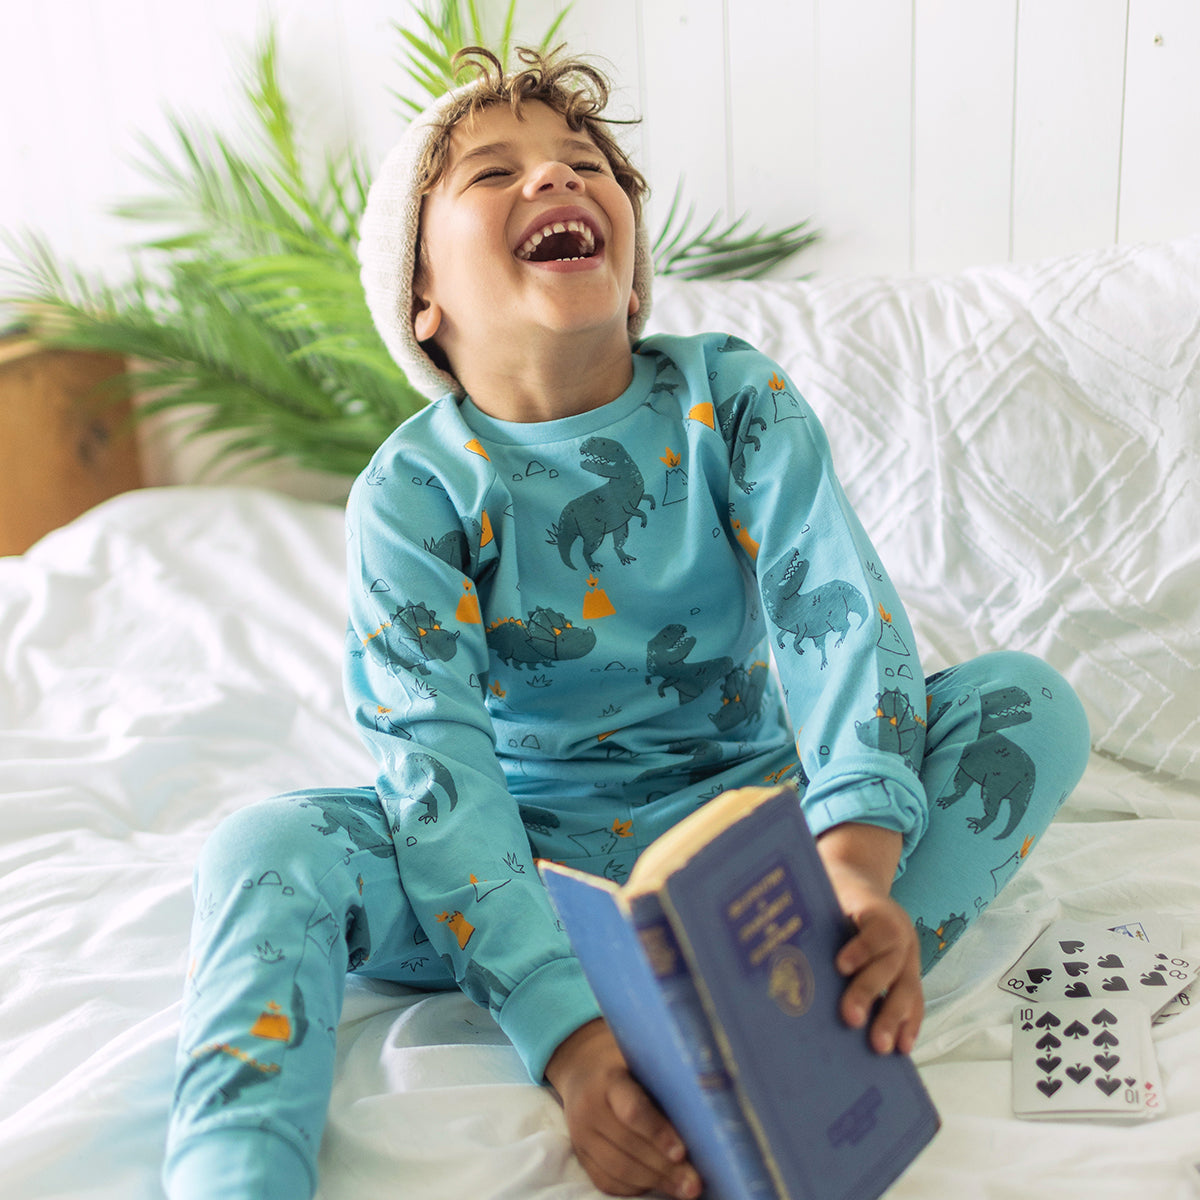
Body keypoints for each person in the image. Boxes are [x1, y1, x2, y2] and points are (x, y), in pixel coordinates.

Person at [164, 46, 1091, 1200]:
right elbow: (435, 771)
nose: (554, 180)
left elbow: (838, 618)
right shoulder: (412, 496)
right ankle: (233, 1173)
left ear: (637, 276)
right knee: (269, 847)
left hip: (758, 826)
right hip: (522, 849)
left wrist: (855, 867)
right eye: (494, 174)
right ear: (421, 301)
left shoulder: (733, 399)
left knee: (1029, 705)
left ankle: (820, 974)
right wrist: (571, 1038)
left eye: (582, 163)